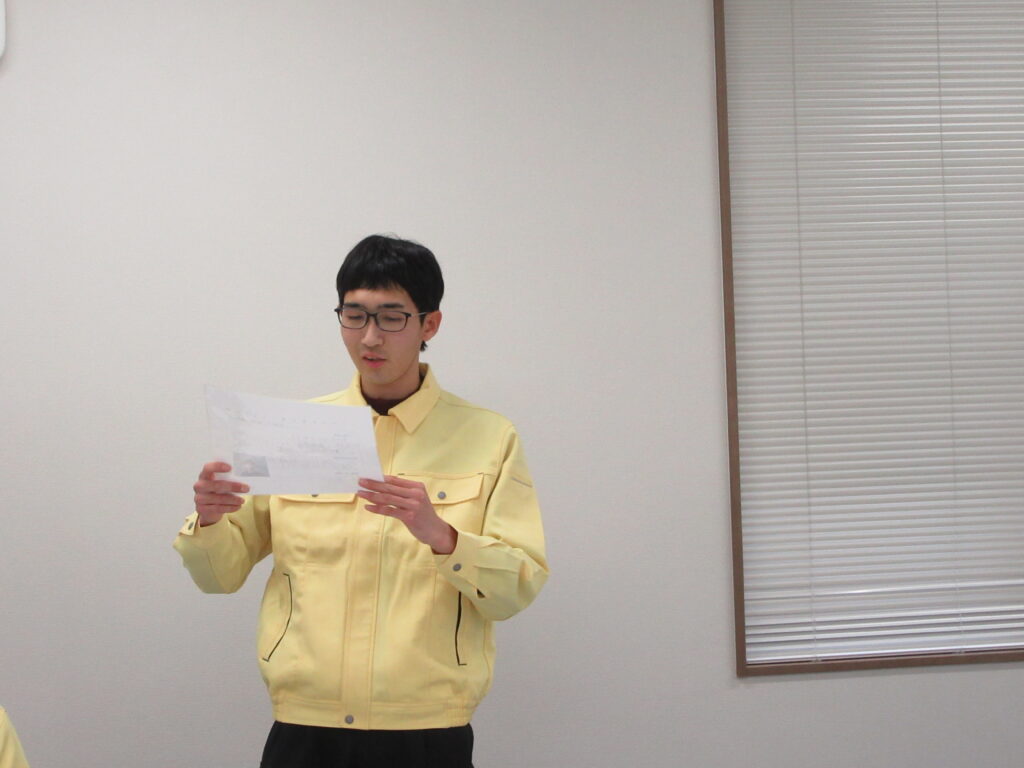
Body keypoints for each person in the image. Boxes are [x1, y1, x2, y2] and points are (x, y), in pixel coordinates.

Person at [174, 234, 548, 768]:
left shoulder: (489, 437)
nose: (369, 337)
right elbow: (219, 576)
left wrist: (443, 537)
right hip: (305, 727)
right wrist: (210, 521)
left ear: (430, 325)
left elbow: (516, 588)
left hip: (426, 731)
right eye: (354, 316)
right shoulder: (293, 432)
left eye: (391, 317)